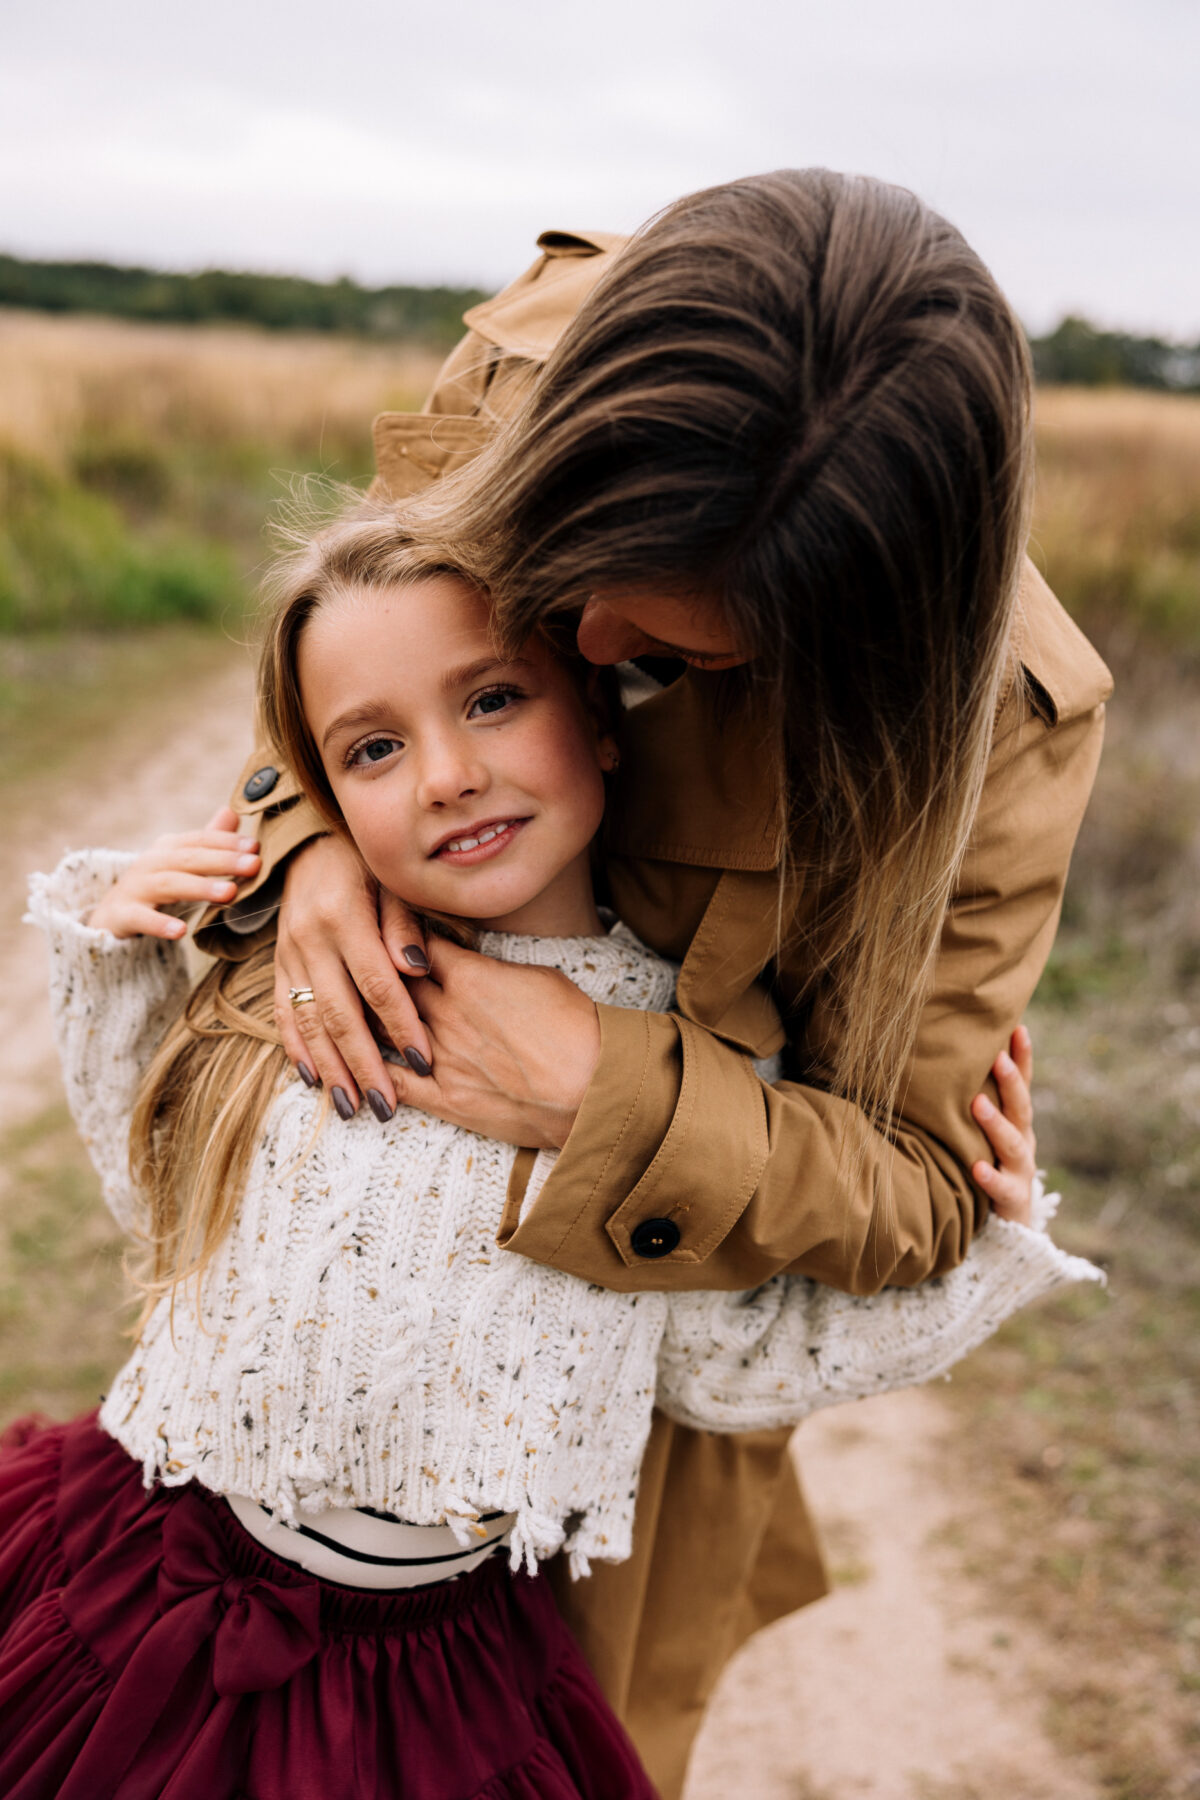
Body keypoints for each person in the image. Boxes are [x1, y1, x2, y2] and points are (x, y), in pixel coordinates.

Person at [201, 169, 1114, 1797]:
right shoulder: (523, 364)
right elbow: (354, 677)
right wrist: (307, 847)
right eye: (561, 568)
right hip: (304, 1371)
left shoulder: (1004, 728)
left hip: (614, 1436)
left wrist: (605, 1089)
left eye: (675, 659)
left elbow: (919, 1196)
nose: (583, 633)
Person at [3, 516, 1097, 1800]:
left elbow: (730, 1365)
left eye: (493, 699)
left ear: (603, 714)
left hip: (433, 1667)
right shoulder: (309, 978)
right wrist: (113, 958)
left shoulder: (686, 1072)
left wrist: (984, 1255)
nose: (447, 775)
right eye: (374, 748)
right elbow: (166, 1209)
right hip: (140, 1574)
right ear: (324, 793)